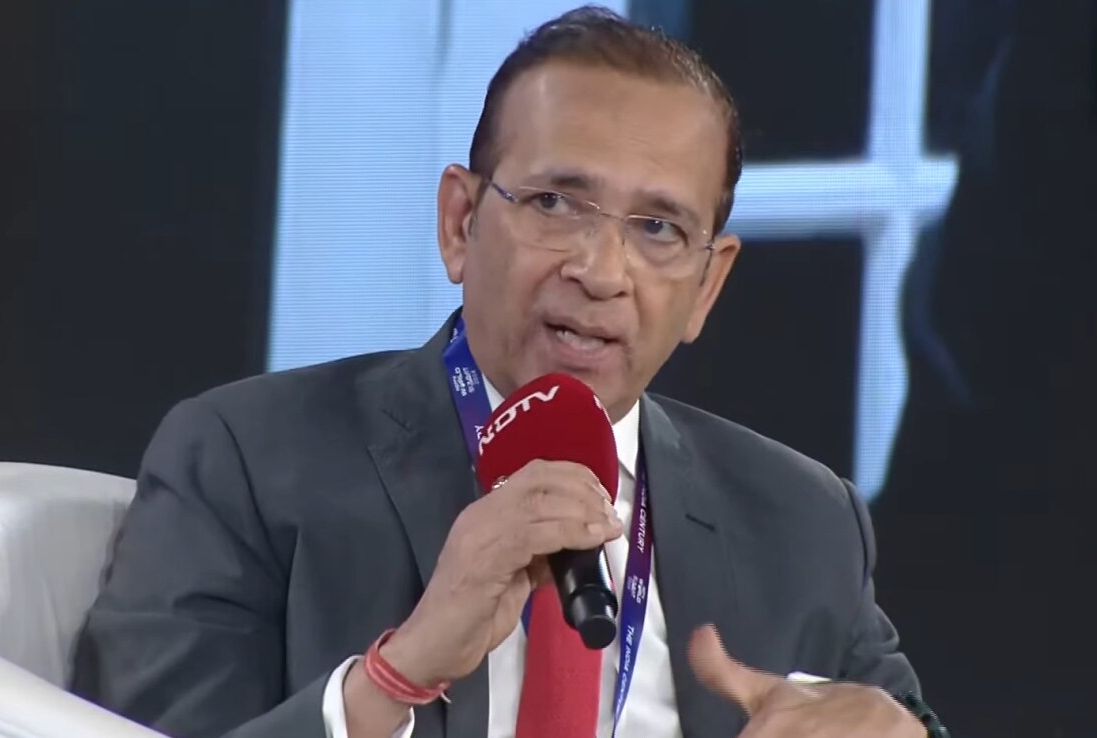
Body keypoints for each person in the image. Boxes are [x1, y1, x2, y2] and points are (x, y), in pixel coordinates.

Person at [70, 7, 945, 738]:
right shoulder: (247, 461)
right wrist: (394, 676)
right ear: (460, 222)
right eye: (556, 203)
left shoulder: (803, 521)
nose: (600, 271)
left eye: (658, 229)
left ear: (706, 287)